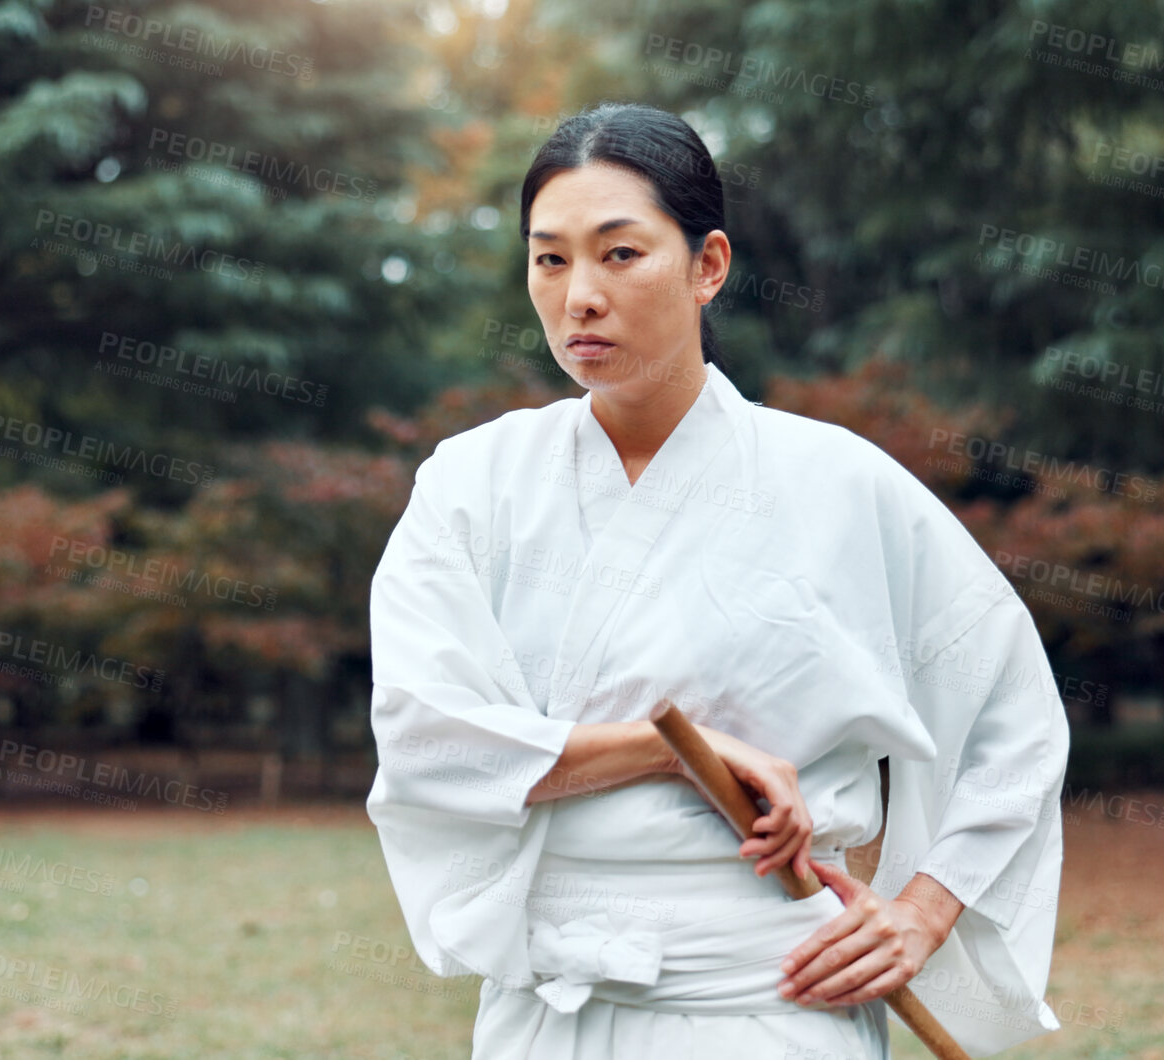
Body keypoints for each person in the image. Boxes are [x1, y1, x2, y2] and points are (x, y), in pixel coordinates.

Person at [366, 101, 1069, 1059]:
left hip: (772, 1003)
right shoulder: (469, 485)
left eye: (620, 253)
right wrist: (667, 750)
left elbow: (1010, 714)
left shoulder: (839, 483)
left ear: (708, 266)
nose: (579, 295)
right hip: (550, 1009)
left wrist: (923, 908)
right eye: (549, 257)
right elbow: (427, 741)